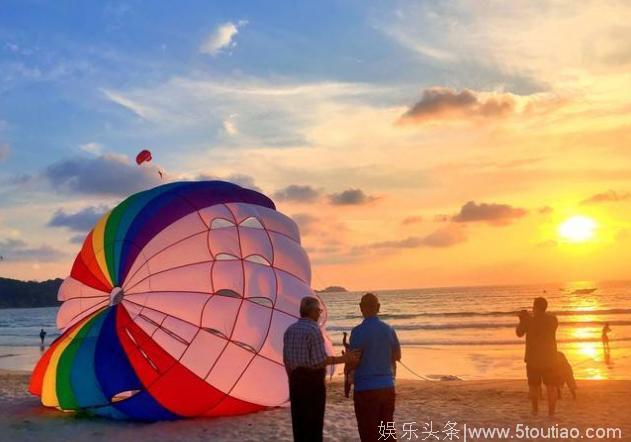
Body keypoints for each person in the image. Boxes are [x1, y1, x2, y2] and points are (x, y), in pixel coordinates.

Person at [283, 296, 359, 442]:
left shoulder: (289, 330)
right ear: (312, 312)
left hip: (295, 381)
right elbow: (319, 362)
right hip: (312, 383)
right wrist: (344, 359)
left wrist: (292, 380)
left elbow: (286, 360)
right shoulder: (313, 330)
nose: (319, 314)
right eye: (318, 311)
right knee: (314, 425)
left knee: (299, 424)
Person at [349, 293, 401, 442]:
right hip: (387, 387)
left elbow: (354, 360)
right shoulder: (388, 330)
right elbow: (397, 355)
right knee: (386, 432)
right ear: (378, 307)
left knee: (368, 433)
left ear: (361, 308)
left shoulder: (357, 332)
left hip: (365, 389)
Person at [516, 297, 560, 416]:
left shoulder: (529, 320)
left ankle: (535, 410)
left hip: (533, 359)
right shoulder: (553, 320)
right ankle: (551, 412)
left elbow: (519, 333)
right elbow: (549, 322)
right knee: (551, 387)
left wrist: (522, 319)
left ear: (535, 307)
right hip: (550, 358)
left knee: (534, 386)